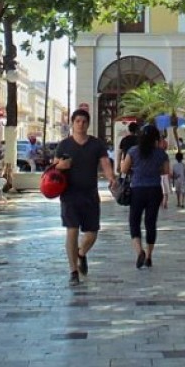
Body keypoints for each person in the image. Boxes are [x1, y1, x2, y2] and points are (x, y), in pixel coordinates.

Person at [55, 109, 116, 286]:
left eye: (84, 121)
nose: (80, 124)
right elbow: (53, 166)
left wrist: (111, 177)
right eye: (77, 121)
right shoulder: (64, 145)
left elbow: (105, 163)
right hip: (69, 195)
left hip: (90, 194)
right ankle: (73, 270)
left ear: (88, 124)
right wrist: (61, 165)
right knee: (72, 231)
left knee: (92, 234)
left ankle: (81, 253)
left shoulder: (96, 144)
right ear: (72, 124)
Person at [120, 124, 170, 269]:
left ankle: (139, 251)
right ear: (156, 138)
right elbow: (166, 171)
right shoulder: (161, 153)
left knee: (134, 221)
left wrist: (136, 169)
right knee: (150, 223)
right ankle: (149, 256)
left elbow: (124, 169)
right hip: (155, 190)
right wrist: (153, 170)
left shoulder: (133, 151)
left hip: (137, 190)